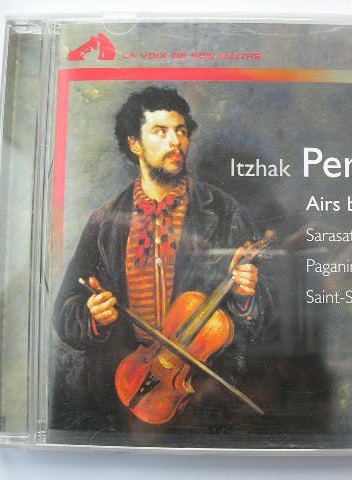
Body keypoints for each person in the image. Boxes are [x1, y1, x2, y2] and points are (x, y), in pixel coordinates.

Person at [51, 86, 270, 433]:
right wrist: (91, 314)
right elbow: (66, 312)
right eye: (160, 131)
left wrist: (246, 296)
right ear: (134, 144)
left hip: (202, 396)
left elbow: (265, 320)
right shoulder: (104, 222)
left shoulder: (224, 212)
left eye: (181, 131)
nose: (175, 142)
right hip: (121, 387)